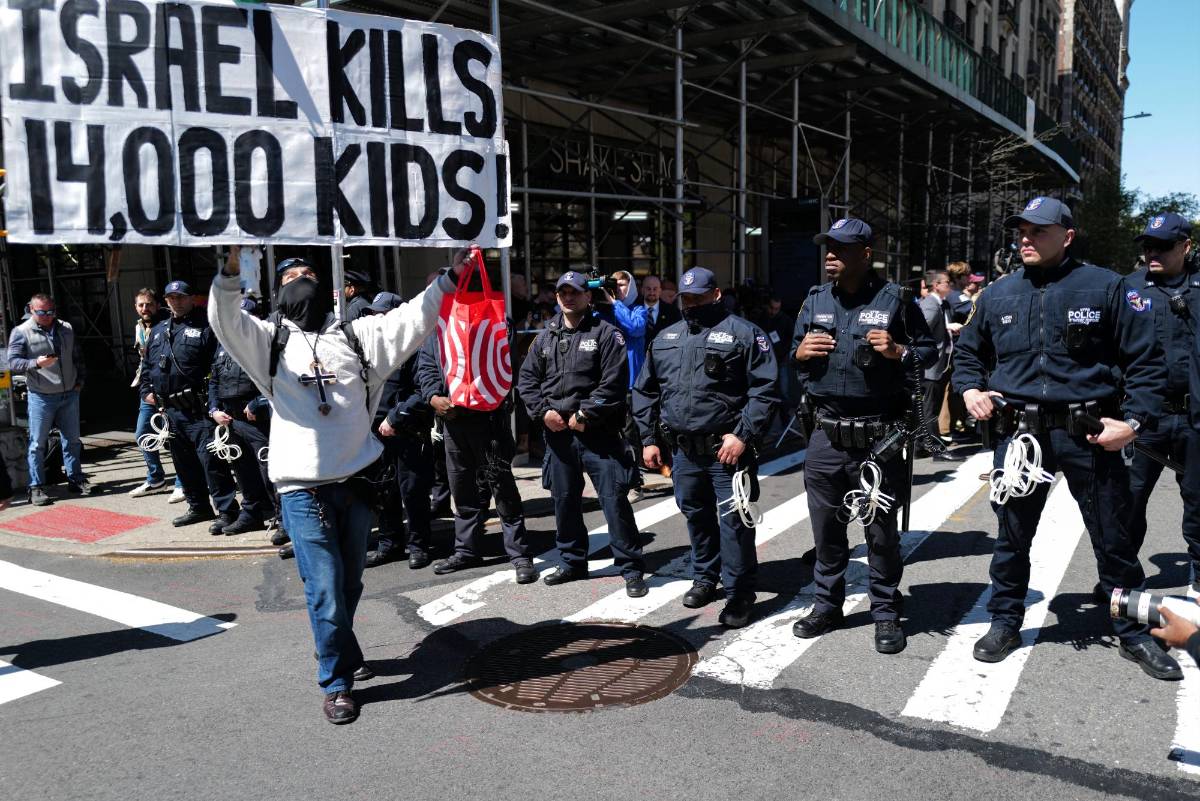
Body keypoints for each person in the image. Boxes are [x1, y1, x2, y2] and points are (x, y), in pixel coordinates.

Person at [209, 246, 463, 725]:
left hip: (358, 482)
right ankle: (336, 682)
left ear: (326, 287)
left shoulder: (356, 334)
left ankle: (339, 646)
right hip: (302, 491)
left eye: (308, 274)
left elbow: (414, 317)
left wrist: (450, 278)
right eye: (290, 278)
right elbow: (225, 319)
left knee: (349, 582)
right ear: (278, 292)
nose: (300, 281)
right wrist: (228, 272)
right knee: (324, 588)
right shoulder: (267, 342)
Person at [953, 196, 1180, 680]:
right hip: (1020, 439)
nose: (1025, 239)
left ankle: (1133, 633)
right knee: (1012, 538)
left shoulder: (1105, 287)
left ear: (1067, 235)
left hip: (1089, 435)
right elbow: (968, 353)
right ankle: (1005, 621)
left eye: (1037, 231)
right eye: (1020, 232)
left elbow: (1146, 363)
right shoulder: (997, 294)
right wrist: (970, 388)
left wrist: (1134, 423)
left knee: (1114, 540)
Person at [789, 219, 937, 654]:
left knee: (881, 532)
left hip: (878, 436)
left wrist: (898, 352)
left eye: (841, 248)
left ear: (866, 253)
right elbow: (794, 354)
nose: (830, 255)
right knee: (826, 531)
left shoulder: (896, 300)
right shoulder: (815, 299)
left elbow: (926, 352)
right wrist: (798, 353)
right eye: (827, 247)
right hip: (826, 434)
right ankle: (826, 605)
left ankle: (886, 613)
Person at [633, 267, 778, 629]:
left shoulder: (745, 334)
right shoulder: (666, 337)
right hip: (683, 451)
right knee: (695, 516)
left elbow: (765, 390)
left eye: (698, 297)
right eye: (686, 298)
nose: (691, 304)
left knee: (734, 522)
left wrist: (742, 434)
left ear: (716, 294)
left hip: (727, 451)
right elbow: (646, 390)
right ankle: (705, 578)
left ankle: (740, 592)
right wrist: (648, 439)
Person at [517, 271, 647, 595]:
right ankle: (572, 563)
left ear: (588, 296)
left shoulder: (606, 333)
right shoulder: (545, 336)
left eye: (574, 292)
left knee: (614, 501)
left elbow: (614, 383)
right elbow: (527, 381)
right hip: (558, 435)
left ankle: (631, 569)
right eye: (562, 292)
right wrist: (542, 412)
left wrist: (585, 413)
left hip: (598, 433)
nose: (568, 297)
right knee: (564, 502)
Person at [417, 314, 536, 585]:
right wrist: (434, 397)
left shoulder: (495, 319)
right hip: (453, 421)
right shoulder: (439, 325)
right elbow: (427, 366)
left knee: (502, 489)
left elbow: (506, 367)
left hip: (489, 420)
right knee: (462, 489)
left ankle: (519, 554)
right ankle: (466, 550)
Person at [1120, 212, 1199, 594]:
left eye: (1163, 246)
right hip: (1143, 419)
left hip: (1194, 418)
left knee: (1199, 505)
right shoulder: (1128, 289)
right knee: (1127, 504)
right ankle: (1120, 578)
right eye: (1147, 245)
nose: (1152, 252)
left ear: (1186, 246)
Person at [141, 281, 241, 532]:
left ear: (192, 299)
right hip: (170, 411)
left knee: (212, 463)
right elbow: (148, 367)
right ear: (165, 301)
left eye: (181, 297)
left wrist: (214, 404)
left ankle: (227, 510)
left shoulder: (206, 327)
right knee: (183, 463)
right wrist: (146, 391)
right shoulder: (158, 330)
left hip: (198, 409)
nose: (176, 301)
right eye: (171, 297)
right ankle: (198, 507)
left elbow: (217, 368)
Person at [362, 292, 435, 570]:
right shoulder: (368, 348)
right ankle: (389, 544)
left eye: (381, 313)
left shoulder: (416, 346)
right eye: (372, 314)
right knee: (382, 491)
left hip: (407, 431)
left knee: (413, 492)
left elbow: (423, 390)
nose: (375, 319)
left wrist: (394, 419)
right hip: (375, 432)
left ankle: (419, 545)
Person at [7, 293, 91, 505]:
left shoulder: (66, 328)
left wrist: (79, 382)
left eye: (51, 311)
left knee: (72, 440)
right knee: (37, 443)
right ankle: (36, 487)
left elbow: (77, 356)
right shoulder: (21, 332)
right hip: (41, 396)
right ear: (32, 310)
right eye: (42, 312)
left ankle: (75, 479)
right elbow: (12, 362)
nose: (47, 316)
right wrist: (36, 363)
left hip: (69, 393)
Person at [206, 298, 275, 536]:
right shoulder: (224, 343)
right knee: (243, 472)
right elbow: (214, 379)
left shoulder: (265, 343)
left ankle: (284, 519)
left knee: (270, 470)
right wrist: (214, 409)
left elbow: (278, 382)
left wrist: (259, 402)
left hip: (258, 420)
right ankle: (252, 514)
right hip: (231, 419)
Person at [128, 289, 175, 498]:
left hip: (170, 389)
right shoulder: (139, 327)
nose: (144, 309)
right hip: (148, 390)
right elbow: (144, 362)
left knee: (175, 436)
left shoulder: (169, 324)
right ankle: (156, 479)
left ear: (157, 305)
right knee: (142, 434)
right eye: (140, 305)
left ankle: (183, 482)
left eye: (148, 304)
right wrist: (145, 389)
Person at [917, 270, 964, 462]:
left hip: (938, 364)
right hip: (930, 365)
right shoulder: (930, 304)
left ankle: (921, 446)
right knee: (930, 408)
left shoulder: (940, 303)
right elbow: (920, 329)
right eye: (946, 282)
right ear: (936, 285)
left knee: (929, 407)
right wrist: (947, 328)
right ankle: (935, 448)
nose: (950, 285)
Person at [762, 296, 795, 419]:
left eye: (777, 309)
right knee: (767, 391)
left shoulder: (785, 320)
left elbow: (792, 338)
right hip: (766, 361)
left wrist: (785, 352)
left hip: (781, 360)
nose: (774, 311)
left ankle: (784, 419)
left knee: (783, 390)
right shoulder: (763, 318)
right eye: (772, 308)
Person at [642, 275, 682, 346]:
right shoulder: (633, 310)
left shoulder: (673, 312)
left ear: (660, 291)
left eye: (655, 289)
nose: (652, 292)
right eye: (648, 289)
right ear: (642, 290)